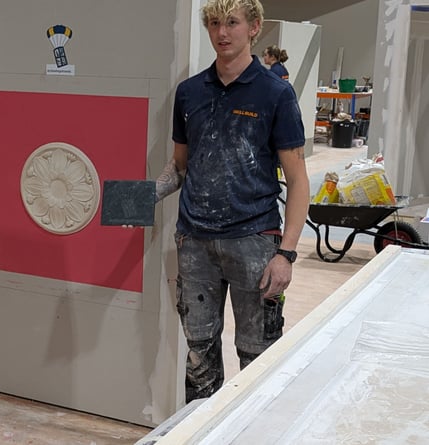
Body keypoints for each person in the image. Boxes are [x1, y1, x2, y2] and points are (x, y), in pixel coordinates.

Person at [154, 0, 309, 403]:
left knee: (258, 357)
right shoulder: (190, 93)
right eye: (215, 24)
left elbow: (297, 180)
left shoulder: (275, 93)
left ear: (254, 27)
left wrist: (286, 254)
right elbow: (181, 167)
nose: (223, 33)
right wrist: (145, 195)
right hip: (195, 242)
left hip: (254, 240)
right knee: (200, 354)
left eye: (233, 23)